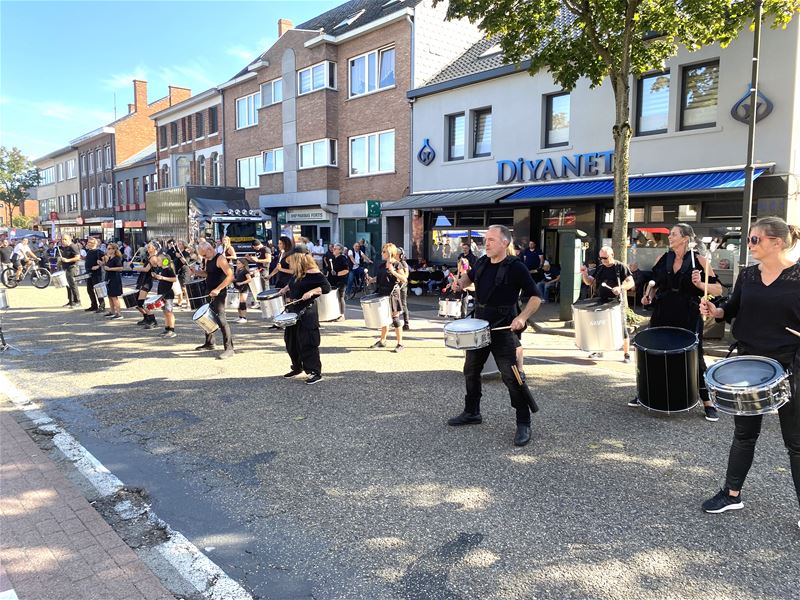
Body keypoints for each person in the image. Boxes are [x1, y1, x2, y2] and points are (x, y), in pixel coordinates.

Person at [699, 217, 800, 525]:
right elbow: (732, 308)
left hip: (789, 364)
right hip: (749, 363)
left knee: (795, 442)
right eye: (750, 239)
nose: (750, 244)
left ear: (776, 242)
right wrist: (716, 311)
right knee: (744, 434)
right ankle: (732, 494)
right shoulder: (747, 275)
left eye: (755, 239)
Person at [449, 224, 543, 447]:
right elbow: (468, 280)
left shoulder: (516, 267)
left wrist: (522, 317)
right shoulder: (481, 262)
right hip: (479, 326)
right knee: (470, 370)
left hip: (503, 328)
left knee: (511, 376)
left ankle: (523, 422)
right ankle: (472, 412)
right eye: (486, 240)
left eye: (491, 240)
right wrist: (459, 283)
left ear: (505, 242)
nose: (486, 244)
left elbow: (535, 297)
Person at [640, 223, 723, 420]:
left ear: (685, 238)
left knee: (695, 353)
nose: (670, 237)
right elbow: (654, 283)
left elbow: (718, 289)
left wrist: (700, 283)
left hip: (688, 312)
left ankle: (707, 401)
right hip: (663, 311)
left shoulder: (699, 261)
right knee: (656, 351)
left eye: (674, 234)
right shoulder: (663, 258)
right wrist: (647, 296)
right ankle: (646, 393)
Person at [279, 246, 331, 385]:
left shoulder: (314, 273)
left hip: (307, 312)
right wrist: (285, 289)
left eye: (290, 261)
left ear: (298, 259)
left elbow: (326, 288)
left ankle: (314, 372)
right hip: (293, 311)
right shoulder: (297, 273)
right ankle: (297, 367)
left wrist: (313, 291)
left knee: (307, 342)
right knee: (291, 342)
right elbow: (293, 285)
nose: (289, 264)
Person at [579, 246, 634, 363]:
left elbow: (631, 282)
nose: (603, 260)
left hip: (616, 302)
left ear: (612, 255)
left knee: (622, 328)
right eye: (601, 258)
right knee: (599, 327)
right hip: (601, 301)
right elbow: (589, 281)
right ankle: (599, 350)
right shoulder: (600, 268)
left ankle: (626, 354)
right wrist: (584, 274)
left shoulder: (620, 267)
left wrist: (620, 287)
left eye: (605, 257)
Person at [191, 241, 235, 358]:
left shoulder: (220, 259)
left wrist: (218, 289)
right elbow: (208, 274)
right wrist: (196, 272)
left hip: (219, 292)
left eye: (204, 255)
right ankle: (210, 343)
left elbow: (230, 276)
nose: (203, 257)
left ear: (210, 249)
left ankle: (229, 348)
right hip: (209, 291)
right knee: (207, 317)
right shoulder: (208, 259)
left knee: (221, 319)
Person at [365, 243, 406, 352]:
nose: (382, 253)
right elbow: (379, 277)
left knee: (395, 318)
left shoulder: (397, 264)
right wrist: (371, 280)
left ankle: (400, 344)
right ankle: (382, 341)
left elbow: (404, 279)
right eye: (382, 251)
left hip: (393, 293)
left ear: (390, 253)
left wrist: (393, 272)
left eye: (384, 251)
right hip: (382, 292)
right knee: (383, 318)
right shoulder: (381, 265)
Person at [131, 242, 159, 329]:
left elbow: (146, 269)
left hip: (147, 281)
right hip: (142, 280)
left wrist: (134, 268)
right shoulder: (149, 257)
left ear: (154, 248)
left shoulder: (153, 258)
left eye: (149, 246)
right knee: (136, 302)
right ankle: (146, 318)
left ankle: (152, 320)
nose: (147, 247)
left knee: (141, 302)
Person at [152, 254, 178, 337]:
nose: (157, 261)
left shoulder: (168, 269)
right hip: (162, 293)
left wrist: (162, 278)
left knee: (169, 312)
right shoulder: (161, 269)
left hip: (168, 293)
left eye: (159, 260)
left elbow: (174, 279)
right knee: (165, 312)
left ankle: (172, 329)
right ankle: (167, 328)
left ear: (164, 261)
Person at [326, 243, 349, 319]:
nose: (333, 249)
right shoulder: (332, 258)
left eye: (335, 248)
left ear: (340, 250)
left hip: (341, 281)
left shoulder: (343, 258)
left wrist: (337, 273)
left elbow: (346, 270)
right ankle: (335, 314)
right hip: (332, 281)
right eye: (333, 248)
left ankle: (342, 315)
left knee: (340, 297)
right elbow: (329, 270)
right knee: (333, 297)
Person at [102, 243, 124, 319]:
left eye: (109, 248)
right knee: (110, 296)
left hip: (115, 278)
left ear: (114, 249)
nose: (107, 250)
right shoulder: (110, 258)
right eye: (107, 248)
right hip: (109, 278)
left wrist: (110, 269)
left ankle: (119, 313)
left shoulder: (117, 258)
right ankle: (112, 311)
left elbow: (120, 268)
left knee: (114, 296)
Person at [83, 237, 106, 314]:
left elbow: (105, 260)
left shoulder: (99, 252)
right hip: (89, 273)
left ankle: (102, 306)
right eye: (88, 242)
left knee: (98, 290)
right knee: (89, 290)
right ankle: (94, 305)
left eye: (89, 243)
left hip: (96, 274)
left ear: (94, 244)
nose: (87, 244)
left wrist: (99, 265)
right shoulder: (89, 251)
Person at [59, 235, 82, 308]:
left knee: (73, 285)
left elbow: (78, 257)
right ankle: (71, 301)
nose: (63, 241)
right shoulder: (65, 248)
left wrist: (67, 260)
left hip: (72, 268)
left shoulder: (73, 246)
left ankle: (77, 301)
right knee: (68, 285)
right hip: (66, 268)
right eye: (62, 239)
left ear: (69, 239)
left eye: (65, 239)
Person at [233, 257, 253, 324]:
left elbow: (249, 279)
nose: (237, 264)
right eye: (237, 263)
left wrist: (241, 283)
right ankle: (240, 316)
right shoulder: (238, 270)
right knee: (239, 303)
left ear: (243, 264)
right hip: (239, 288)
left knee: (242, 303)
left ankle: (244, 317)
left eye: (239, 263)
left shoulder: (245, 271)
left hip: (244, 288)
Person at [397, 247, 411, 330]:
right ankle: (394, 320)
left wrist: (400, 278)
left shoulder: (403, 263)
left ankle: (406, 323)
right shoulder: (394, 263)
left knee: (403, 304)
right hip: (395, 286)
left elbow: (406, 275)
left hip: (402, 286)